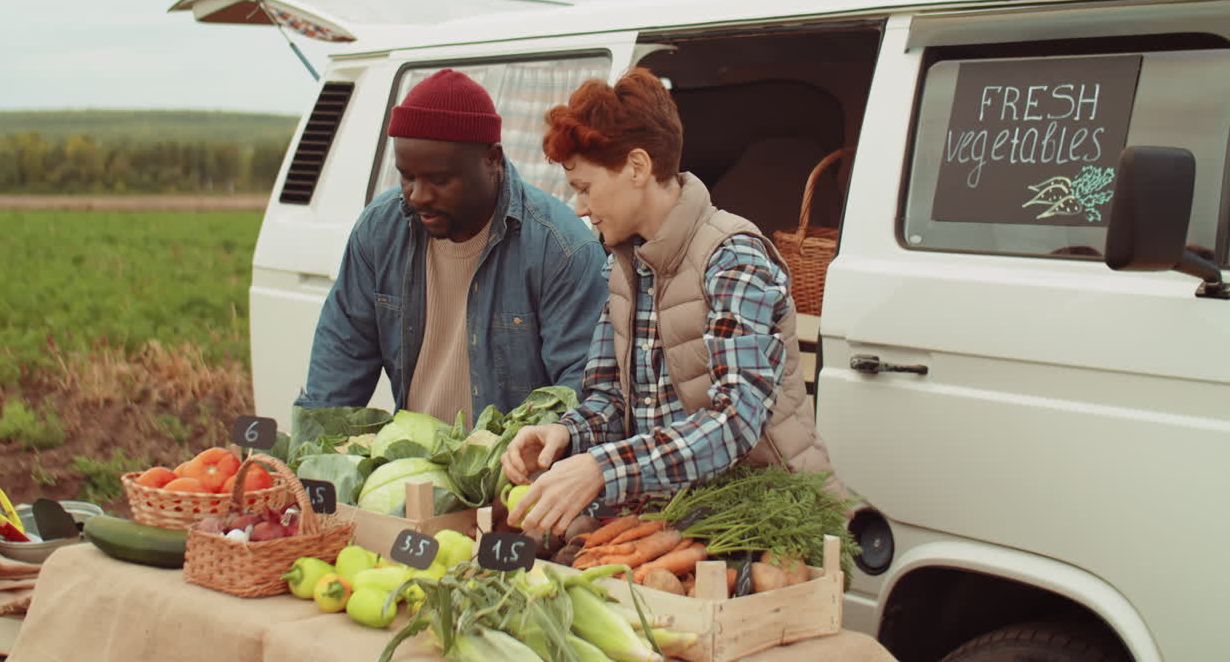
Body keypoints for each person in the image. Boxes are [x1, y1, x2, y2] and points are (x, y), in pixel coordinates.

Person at [503, 68, 845, 536]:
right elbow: (611, 398)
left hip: (762, 522)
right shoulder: (623, 265)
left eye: (584, 187)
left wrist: (602, 469)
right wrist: (567, 433)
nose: (579, 208)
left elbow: (735, 421)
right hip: (672, 519)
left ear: (638, 167)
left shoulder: (734, 259)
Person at [295, 69, 607, 424]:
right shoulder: (379, 231)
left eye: (440, 180)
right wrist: (312, 455)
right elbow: (340, 362)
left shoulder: (561, 248)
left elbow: (580, 396)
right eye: (407, 176)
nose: (418, 196)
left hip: (515, 474)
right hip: (411, 466)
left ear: (492, 159)